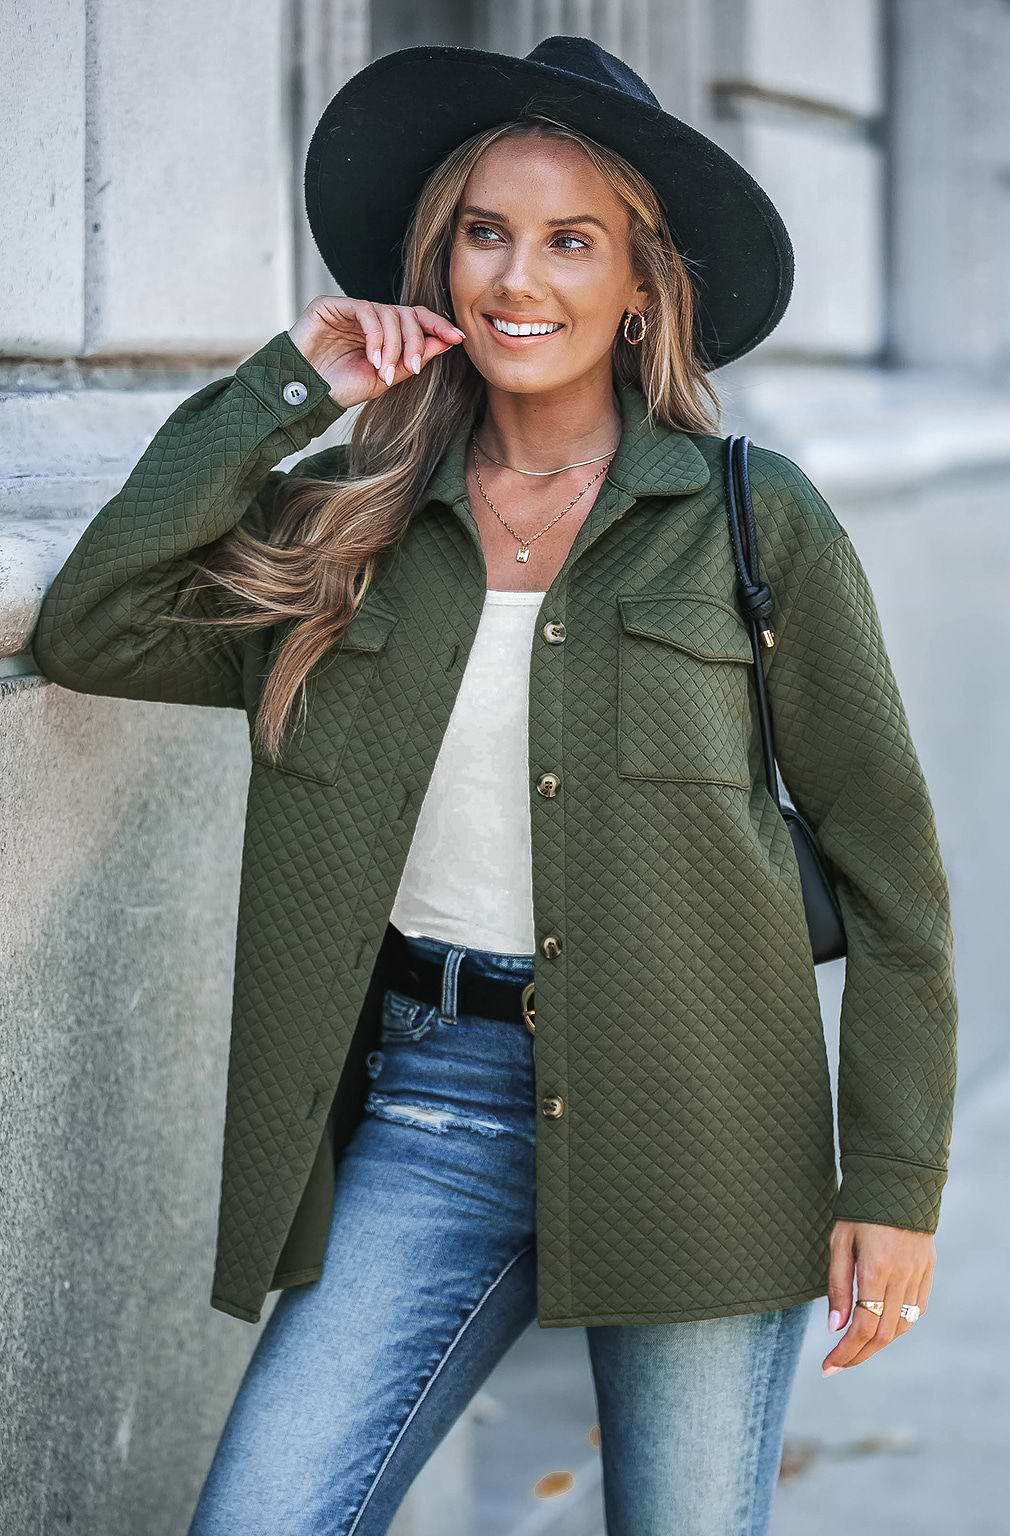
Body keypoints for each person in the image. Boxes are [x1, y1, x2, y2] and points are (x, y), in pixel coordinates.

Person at [30, 36, 958, 1536]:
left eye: (570, 240)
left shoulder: (749, 522)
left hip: (707, 1119)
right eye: (486, 233)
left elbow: (896, 877)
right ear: (442, 260)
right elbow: (93, 624)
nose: (517, 280)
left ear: (643, 285)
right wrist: (290, 387)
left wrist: (896, 1183)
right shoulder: (351, 526)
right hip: (433, 1107)